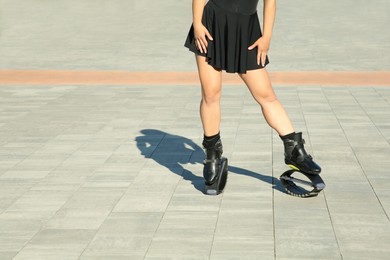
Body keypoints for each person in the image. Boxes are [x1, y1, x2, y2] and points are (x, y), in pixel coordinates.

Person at [184, 0, 321, 191]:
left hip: (247, 30)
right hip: (211, 24)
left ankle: (295, 151)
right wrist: (197, 24)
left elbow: (270, 3)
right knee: (211, 93)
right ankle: (212, 154)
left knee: (266, 95)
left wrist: (266, 37)